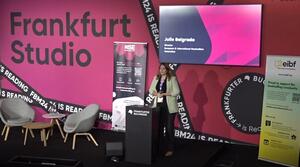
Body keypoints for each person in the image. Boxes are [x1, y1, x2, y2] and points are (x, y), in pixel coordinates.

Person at [149, 63, 180, 157]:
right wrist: (155, 93)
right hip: (158, 106)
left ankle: (170, 148)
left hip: (169, 106)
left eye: (163, 68)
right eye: (160, 68)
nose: (161, 70)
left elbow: (176, 92)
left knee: (169, 128)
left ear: (167, 69)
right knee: (158, 127)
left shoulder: (172, 79)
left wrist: (164, 94)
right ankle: (159, 147)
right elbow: (150, 90)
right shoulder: (156, 78)